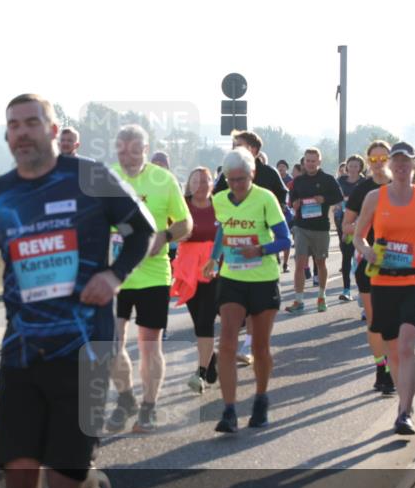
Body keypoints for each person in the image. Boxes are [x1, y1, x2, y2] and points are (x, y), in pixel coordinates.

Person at [0, 93, 154, 488]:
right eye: (13, 126)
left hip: (86, 346)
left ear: (52, 129)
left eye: (32, 123)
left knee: (68, 479)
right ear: (6, 136)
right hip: (22, 350)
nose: (22, 132)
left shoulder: (89, 177)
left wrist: (114, 275)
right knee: (21, 477)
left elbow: (142, 229)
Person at [352, 142, 415, 435]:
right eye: (397, 162)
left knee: (406, 345)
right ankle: (404, 401)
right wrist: (366, 252)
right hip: (384, 280)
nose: (402, 167)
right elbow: (359, 236)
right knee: (393, 349)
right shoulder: (374, 198)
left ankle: (404, 411)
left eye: (407, 162)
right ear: (390, 166)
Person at [105, 125, 192, 433]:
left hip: (153, 276)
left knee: (149, 347)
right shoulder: (107, 178)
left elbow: (186, 223)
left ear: (145, 149)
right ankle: (126, 397)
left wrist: (165, 236)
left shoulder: (163, 180)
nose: (126, 157)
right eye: (121, 150)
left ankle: (149, 406)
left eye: (133, 151)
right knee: (111, 344)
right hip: (115, 276)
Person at [204, 148, 291, 432]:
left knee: (259, 347)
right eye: (231, 180)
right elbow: (223, 230)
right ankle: (228, 410)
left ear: (252, 175)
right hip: (232, 278)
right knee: (227, 342)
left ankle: (261, 400)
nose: (237, 185)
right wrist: (213, 258)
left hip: (263, 279)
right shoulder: (219, 199)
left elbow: (284, 239)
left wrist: (261, 249)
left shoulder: (265, 198)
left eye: (242, 179)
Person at [342, 140, 396, 395]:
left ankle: (394, 364)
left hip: (399, 260)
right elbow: (346, 226)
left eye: (382, 158)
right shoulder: (362, 189)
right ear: (368, 161)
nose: (378, 163)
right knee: (375, 321)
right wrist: (368, 225)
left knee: (394, 320)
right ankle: (381, 368)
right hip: (370, 259)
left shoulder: (402, 185)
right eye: (373, 159)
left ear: (390, 158)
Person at [171, 167, 219, 393]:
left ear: (212, 183)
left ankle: (200, 372)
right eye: (196, 181)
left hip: (214, 269)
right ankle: (211, 359)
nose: (201, 185)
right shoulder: (182, 205)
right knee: (198, 320)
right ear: (189, 184)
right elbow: (168, 230)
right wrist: (180, 234)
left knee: (205, 321)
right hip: (189, 269)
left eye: (205, 180)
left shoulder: (221, 205)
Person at [284, 147, 344, 314]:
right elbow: (292, 199)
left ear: (319, 162)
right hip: (301, 226)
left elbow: (338, 198)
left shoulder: (328, 179)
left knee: (320, 262)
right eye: (307, 160)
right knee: (300, 264)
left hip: (321, 227)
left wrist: (324, 199)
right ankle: (298, 300)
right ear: (304, 161)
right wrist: (295, 203)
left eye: (313, 161)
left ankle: (321, 296)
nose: (310, 164)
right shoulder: (299, 180)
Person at [336, 154, 364, 302]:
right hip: (343, 221)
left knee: (360, 257)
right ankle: (346, 289)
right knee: (346, 255)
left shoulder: (365, 182)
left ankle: (362, 290)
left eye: (356, 166)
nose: (353, 168)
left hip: (361, 223)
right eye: (350, 165)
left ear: (360, 167)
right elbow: (334, 197)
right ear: (346, 167)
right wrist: (337, 205)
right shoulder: (340, 181)